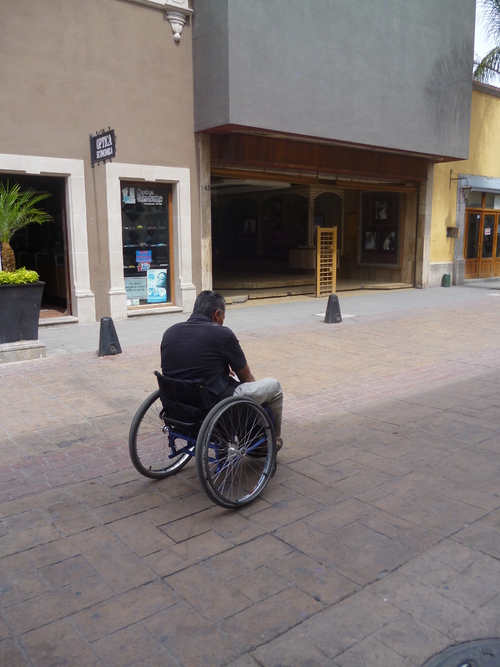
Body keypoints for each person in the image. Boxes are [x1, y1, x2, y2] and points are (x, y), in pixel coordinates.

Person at [160, 290, 283, 448]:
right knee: (274, 387)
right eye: (223, 318)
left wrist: (221, 370)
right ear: (217, 314)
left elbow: (183, 365)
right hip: (210, 408)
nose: (222, 322)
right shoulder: (222, 334)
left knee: (232, 381)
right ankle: (270, 441)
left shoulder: (170, 332)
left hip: (177, 406)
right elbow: (246, 377)